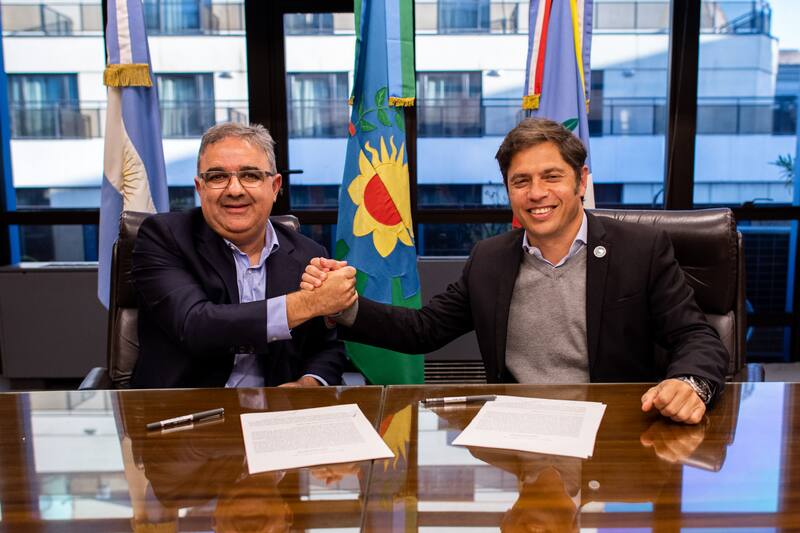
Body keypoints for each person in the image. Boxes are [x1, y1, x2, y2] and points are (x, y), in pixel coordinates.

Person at [302, 118, 729, 424]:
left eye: (551, 177)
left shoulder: (640, 248)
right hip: (517, 430)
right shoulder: (490, 259)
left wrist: (690, 383)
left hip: (613, 428)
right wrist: (342, 306)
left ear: (581, 181)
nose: (536, 193)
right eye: (521, 181)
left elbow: (696, 335)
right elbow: (422, 330)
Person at [130, 122, 356, 388]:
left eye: (250, 176)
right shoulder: (164, 237)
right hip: (185, 407)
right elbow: (195, 325)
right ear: (200, 188)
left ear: (275, 186)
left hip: (278, 407)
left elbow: (327, 348)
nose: (234, 190)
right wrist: (310, 303)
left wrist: (308, 385)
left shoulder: (309, 254)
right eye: (217, 177)